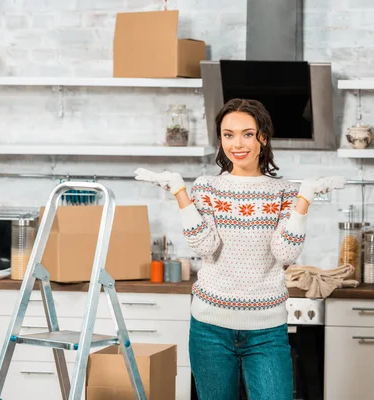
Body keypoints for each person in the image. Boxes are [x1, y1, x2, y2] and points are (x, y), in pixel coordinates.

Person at [134, 98, 345, 400]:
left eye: (248, 133)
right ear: (220, 140)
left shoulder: (285, 191)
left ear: (263, 137)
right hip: (209, 329)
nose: (238, 144)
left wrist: (304, 199)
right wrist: (181, 193)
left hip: (267, 332)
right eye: (228, 134)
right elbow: (206, 246)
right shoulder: (207, 187)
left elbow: (285, 253)